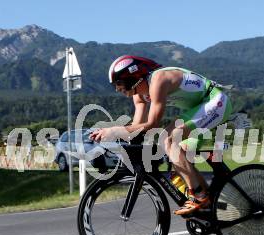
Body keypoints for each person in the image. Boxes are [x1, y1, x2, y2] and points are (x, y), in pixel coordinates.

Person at [90, 55, 232, 215]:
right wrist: (113, 137)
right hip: (199, 109)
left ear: (133, 77)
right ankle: (211, 208)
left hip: (215, 102)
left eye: (119, 83)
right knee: (179, 163)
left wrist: (115, 130)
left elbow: (152, 124)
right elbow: (137, 130)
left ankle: (199, 196)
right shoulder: (139, 96)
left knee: (168, 138)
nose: (117, 89)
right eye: (115, 85)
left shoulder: (158, 80)